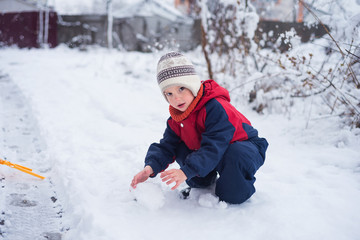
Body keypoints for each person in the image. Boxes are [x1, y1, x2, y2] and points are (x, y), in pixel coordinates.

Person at [130, 52, 268, 204]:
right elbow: (167, 145)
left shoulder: (216, 107)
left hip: (243, 147)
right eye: (169, 93)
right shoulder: (177, 118)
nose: (176, 98)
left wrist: (186, 170)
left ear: (192, 84)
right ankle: (205, 179)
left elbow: (215, 145)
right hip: (213, 151)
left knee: (232, 193)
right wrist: (150, 167)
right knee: (182, 149)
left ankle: (236, 185)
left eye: (181, 88)